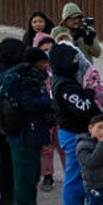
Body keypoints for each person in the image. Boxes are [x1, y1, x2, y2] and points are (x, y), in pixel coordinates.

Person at [50, 43, 100, 205]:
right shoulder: (64, 85)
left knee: (79, 179)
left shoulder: (64, 80)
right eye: (72, 59)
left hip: (75, 132)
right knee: (74, 180)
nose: (76, 61)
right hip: (73, 134)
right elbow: (83, 107)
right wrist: (89, 90)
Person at [7, 47, 54, 205]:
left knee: (32, 172)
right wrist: (48, 102)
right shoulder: (23, 79)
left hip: (31, 132)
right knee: (24, 174)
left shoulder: (32, 78)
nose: (46, 66)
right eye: (43, 62)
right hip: (23, 133)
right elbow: (26, 103)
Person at [0, 37, 27, 205]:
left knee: (3, 161)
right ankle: (8, 198)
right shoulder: (10, 71)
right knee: (9, 162)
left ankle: (6, 197)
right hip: (9, 122)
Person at [32, 32, 63, 192]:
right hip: (45, 112)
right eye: (44, 50)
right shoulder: (36, 73)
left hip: (60, 112)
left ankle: (70, 173)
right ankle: (48, 175)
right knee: (46, 146)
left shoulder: (59, 68)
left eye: (50, 50)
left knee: (63, 145)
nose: (48, 53)